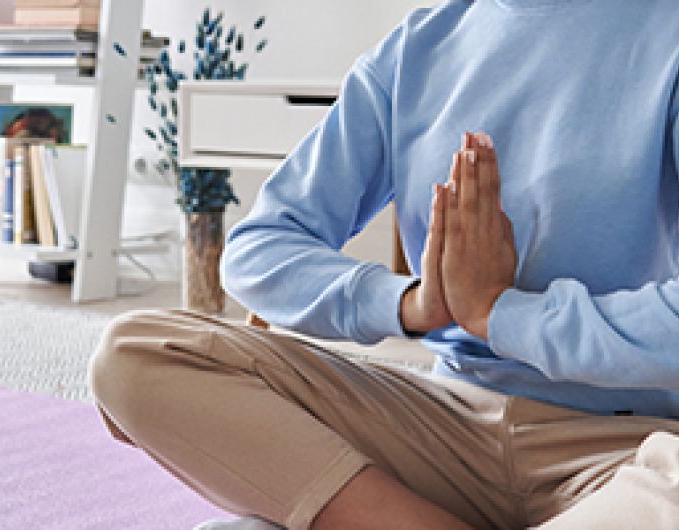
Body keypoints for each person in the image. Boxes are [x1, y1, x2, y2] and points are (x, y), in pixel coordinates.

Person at [88, 1, 679, 528]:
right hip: (443, 428)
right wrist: (413, 303)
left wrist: (502, 314)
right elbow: (261, 244)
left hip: (633, 442)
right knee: (135, 353)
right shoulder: (417, 48)